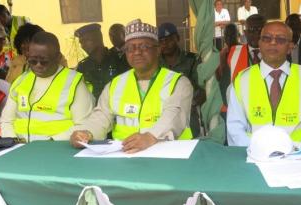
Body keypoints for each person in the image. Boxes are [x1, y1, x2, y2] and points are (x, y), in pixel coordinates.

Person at [70, 19, 193, 153]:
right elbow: (101, 117)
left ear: (157, 50)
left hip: (168, 154)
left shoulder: (178, 82)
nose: (136, 52)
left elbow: (174, 116)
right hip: (125, 155)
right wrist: (86, 133)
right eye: (130, 48)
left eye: (144, 47)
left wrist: (150, 137)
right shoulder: (115, 84)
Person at [226, 21, 301, 147]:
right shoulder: (242, 79)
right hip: (254, 157)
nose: (272, 43)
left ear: (290, 47)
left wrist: (296, 153)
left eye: (280, 39)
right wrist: (258, 152)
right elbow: (235, 128)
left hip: (298, 159)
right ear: (260, 44)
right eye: (266, 38)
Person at [0, 31, 94, 142]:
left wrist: (50, 143)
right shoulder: (21, 81)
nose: (38, 65)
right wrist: (12, 142)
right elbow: (6, 121)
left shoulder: (74, 83)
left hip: (57, 150)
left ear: (58, 57)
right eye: (33, 61)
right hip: (20, 151)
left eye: (44, 61)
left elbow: (84, 125)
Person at [158, 22, 205, 137]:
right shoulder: (155, 63)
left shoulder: (192, 60)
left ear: (177, 38)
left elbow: (202, 90)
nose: (165, 44)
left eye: (169, 40)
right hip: (160, 116)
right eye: (161, 41)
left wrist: (189, 102)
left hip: (188, 116)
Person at [76, 23, 127, 101]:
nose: (83, 45)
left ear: (98, 38)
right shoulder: (82, 67)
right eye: (81, 42)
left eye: (86, 40)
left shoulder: (119, 59)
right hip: (95, 110)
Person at [226, 14, 266, 83]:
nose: (256, 34)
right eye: (251, 29)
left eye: (260, 29)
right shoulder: (233, 52)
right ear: (245, 32)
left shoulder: (278, 52)